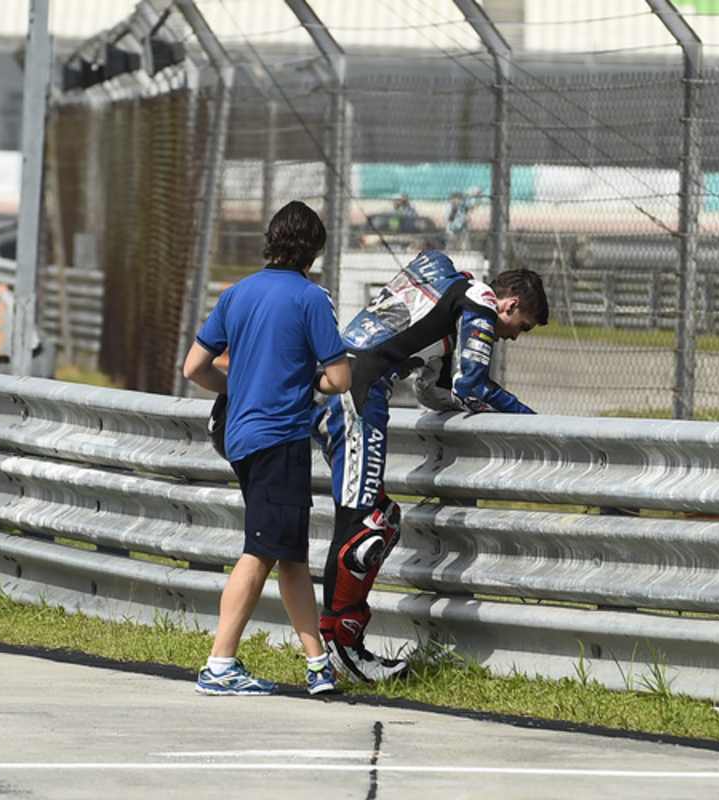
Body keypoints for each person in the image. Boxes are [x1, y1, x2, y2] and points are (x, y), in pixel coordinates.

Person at [311, 249, 549, 682]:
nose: (514, 336)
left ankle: (336, 646)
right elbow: (470, 384)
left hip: (341, 386)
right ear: (510, 304)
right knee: (366, 524)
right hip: (360, 394)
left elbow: (433, 389)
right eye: (522, 326)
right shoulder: (478, 299)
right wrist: (532, 422)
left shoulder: (447, 288)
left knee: (373, 520)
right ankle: (342, 649)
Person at [183, 200, 352, 696]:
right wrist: (310, 382)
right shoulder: (311, 299)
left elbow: (194, 367)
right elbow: (339, 377)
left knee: (289, 554)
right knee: (259, 551)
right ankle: (219, 663)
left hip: (241, 436)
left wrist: (239, 388)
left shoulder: (237, 293)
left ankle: (319, 666)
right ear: (314, 251)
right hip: (282, 437)